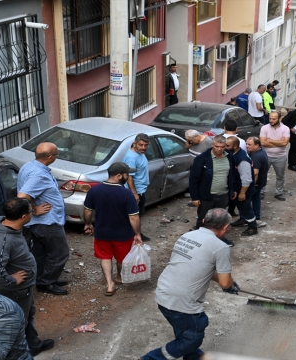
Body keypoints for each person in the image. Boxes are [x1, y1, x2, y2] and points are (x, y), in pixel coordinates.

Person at [141, 208, 239, 360]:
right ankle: (150, 358)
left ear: (205, 221)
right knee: (191, 339)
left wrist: (223, 280)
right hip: (182, 301)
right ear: (225, 227)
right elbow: (225, 283)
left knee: (185, 331)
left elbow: (201, 267)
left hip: (163, 292)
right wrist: (229, 284)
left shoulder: (188, 235)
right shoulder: (221, 247)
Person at [0, 197, 54, 356]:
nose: (32, 213)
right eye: (31, 212)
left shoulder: (6, 225)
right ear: (23, 217)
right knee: (16, 323)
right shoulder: (3, 239)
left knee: (27, 315)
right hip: (14, 291)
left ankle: (33, 345)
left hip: (23, 289)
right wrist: (12, 280)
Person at [83, 162, 143, 296]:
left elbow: (88, 210)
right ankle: (119, 277)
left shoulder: (95, 190)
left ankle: (109, 284)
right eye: (127, 174)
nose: (128, 177)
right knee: (121, 258)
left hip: (102, 233)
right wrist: (137, 234)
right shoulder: (127, 194)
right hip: (122, 234)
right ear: (118, 176)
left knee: (105, 257)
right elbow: (134, 218)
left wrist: (88, 224)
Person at [17, 142, 69, 296]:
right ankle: (46, 282)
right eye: (56, 154)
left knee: (41, 253)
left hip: (40, 223)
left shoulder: (29, 166)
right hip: (47, 222)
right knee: (60, 253)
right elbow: (22, 195)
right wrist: (33, 209)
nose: (56, 156)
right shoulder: (38, 174)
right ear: (50, 157)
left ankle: (41, 278)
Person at [189, 135, 237, 247]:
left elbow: (232, 175)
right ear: (212, 145)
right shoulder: (202, 158)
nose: (219, 149)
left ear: (226, 146)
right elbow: (194, 179)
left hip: (223, 194)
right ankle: (199, 241)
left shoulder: (229, 156)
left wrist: (232, 189)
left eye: (222, 147)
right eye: (217, 146)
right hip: (206, 195)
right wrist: (195, 197)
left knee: (220, 219)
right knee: (203, 218)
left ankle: (219, 239)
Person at [226, 137, 257, 236]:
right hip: (237, 188)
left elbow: (247, 179)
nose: (224, 148)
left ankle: (252, 227)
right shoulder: (233, 154)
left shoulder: (242, 160)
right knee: (241, 207)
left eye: (227, 146)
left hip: (244, 189)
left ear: (235, 146)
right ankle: (243, 219)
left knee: (246, 208)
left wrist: (242, 193)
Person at [123, 133, 151, 242]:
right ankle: (134, 236)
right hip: (136, 192)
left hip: (141, 190)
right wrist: (134, 194)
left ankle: (134, 234)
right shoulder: (131, 157)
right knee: (134, 215)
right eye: (141, 145)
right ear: (134, 144)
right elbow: (129, 177)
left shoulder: (139, 153)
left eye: (146, 145)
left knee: (138, 214)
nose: (143, 147)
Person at [260, 111, 290, 201]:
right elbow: (262, 142)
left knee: (280, 176)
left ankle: (278, 193)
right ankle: (261, 191)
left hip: (280, 156)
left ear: (279, 119)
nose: (271, 120)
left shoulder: (285, 129)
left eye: (274, 119)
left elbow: (285, 143)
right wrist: (279, 143)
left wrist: (269, 140)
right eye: (270, 118)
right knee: (263, 174)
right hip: (266, 156)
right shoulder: (264, 128)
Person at [246, 136, 268, 228]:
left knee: (247, 201)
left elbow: (255, 173)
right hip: (261, 182)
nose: (247, 146)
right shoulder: (261, 151)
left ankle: (249, 219)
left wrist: (251, 186)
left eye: (249, 144)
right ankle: (256, 217)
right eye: (246, 144)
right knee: (256, 199)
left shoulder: (256, 156)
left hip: (256, 183)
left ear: (257, 145)